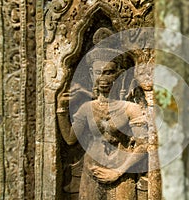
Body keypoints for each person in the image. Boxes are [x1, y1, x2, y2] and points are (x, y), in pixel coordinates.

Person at [57, 47, 149, 199]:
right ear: (92, 74)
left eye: (108, 72)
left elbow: (143, 144)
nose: (103, 78)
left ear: (118, 75)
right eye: (98, 73)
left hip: (121, 172)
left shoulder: (130, 108)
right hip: (92, 170)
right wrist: (61, 108)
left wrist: (118, 172)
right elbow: (70, 138)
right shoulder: (87, 108)